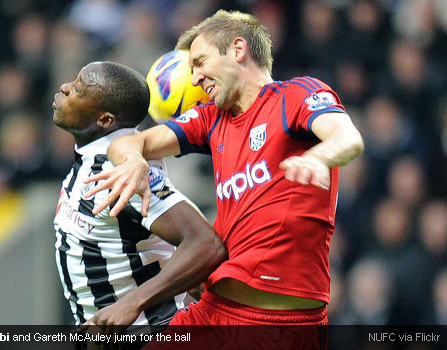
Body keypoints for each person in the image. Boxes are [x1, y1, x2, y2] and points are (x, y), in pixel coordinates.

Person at [86, 10, 364, 329]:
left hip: (283, 323)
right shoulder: (210, 119)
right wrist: (134, 159)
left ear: (237, 49)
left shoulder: (296, 95)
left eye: (200, 63)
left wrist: (319, 156)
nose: (194, 80)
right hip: (215, 311)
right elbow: (124, 144)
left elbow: (347, 136)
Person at [52, 61, 226, 338]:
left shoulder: (120, 172)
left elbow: (205, 244)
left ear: (106, 120)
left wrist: (133, 303)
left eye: (78, 88)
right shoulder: (95, 157)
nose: (65, 88)